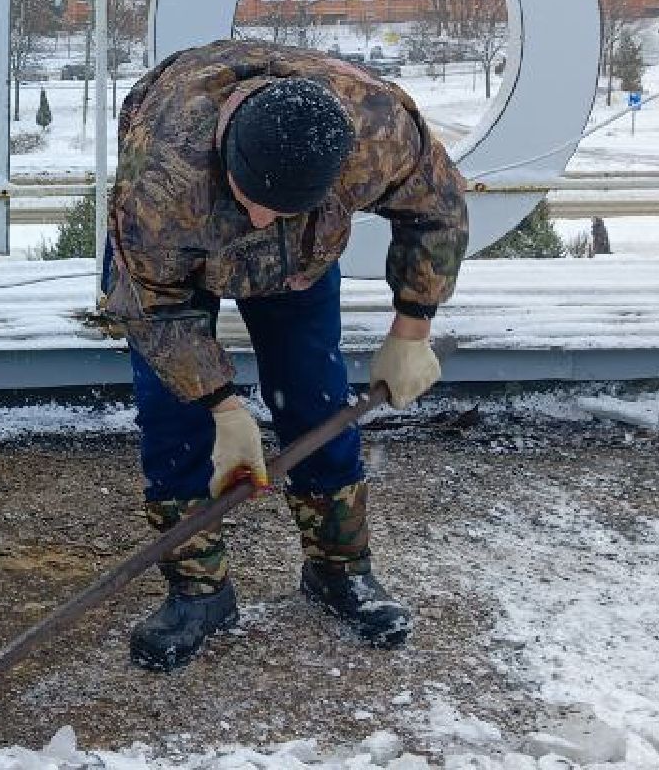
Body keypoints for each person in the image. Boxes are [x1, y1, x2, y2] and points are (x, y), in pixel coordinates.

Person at [101, 38, 468, 671]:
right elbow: (152, 306)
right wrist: (219, 403)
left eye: (287, 207)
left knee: (314, 395)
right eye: (256, 202)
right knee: (172, 414)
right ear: (229, 161)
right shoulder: (161, 180)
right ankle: (198, 588)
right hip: (176, 263)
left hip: (300, 268)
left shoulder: (375, 132)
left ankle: (338, 568)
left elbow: (437, 207)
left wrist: (413, 326)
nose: (265, 218)